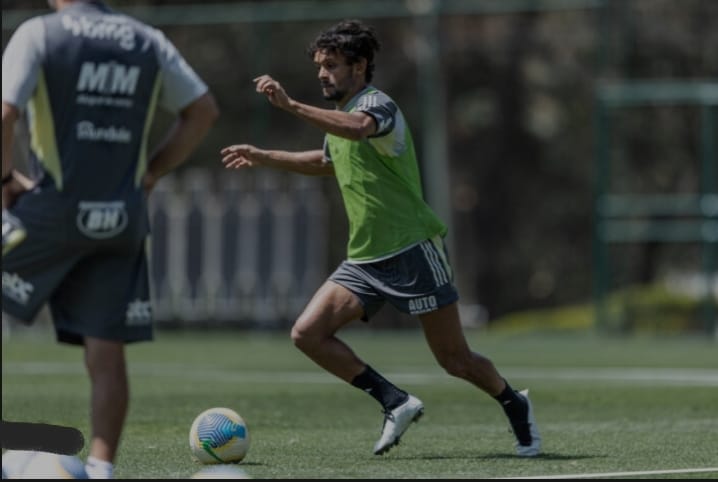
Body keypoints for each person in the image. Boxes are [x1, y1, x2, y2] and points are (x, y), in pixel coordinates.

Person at [220, 19, 540, 457]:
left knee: (455, 360)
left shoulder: (378, 106)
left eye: (331, 65)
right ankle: (395, 401)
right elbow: (326, 160)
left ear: (361, 65)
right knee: (307, 334)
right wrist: (265, 156)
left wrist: (291, 105)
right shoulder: (342, 118)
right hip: (366, 258)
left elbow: (356, 129)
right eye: (319, 65)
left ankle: (514, 402)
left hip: (413, 248)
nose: (322, 73)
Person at [2, 0, 219, 478]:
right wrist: (152, 173)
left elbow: (4, 113)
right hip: (121, 218)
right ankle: (101, 469)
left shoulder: (40, 33)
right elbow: (202, 110)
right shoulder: (146, 39)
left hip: (53, 211)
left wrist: (4, 183)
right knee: (106, 350)